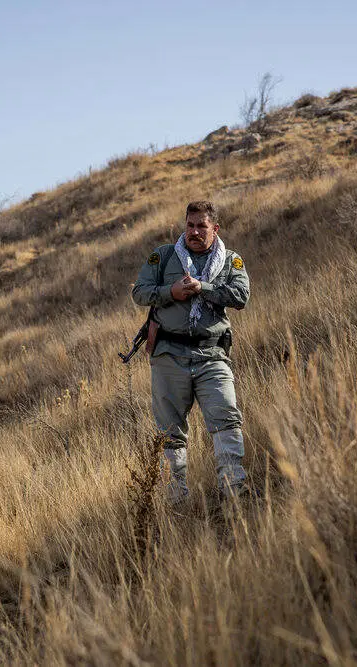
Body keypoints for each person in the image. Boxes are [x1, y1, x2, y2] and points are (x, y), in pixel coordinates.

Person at [131, 200, 250, 502]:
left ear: (215, 229)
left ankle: (234, 491)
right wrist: (170, 292)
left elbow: (240, 296)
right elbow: (140, 292)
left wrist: (203, 288)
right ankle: (176, 499)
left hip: (212, 355)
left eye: (202, 226)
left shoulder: (231, 260)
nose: (194, 232)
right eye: (190, 225)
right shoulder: (163, 256)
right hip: (169, 355)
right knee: (169, 432)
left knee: (226, 417)